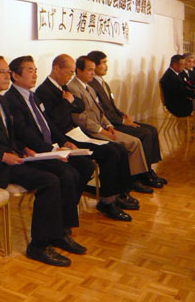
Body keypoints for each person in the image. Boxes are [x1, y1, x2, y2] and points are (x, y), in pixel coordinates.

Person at [0, 55, 86, 267]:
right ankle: (38, 245)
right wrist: (2, 156)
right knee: (49, 181)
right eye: (1, 72)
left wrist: (23, 149)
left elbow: (11, 137)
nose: (6, 76)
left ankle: (59, 233)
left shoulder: (2, 102)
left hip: (13, 159)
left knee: (65, 172)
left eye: (7, 72)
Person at [3, 56, 94, 245]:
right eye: (29, 70)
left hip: (50, 147)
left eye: (35, 70)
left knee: (86, 166)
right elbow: (24, 133)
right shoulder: (10, 100)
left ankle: (63, 215)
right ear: (15, 76)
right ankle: (61, 230)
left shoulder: (33, 96)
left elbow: (48, 124)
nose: (35, 74)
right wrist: (53, 149)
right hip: (34, 151)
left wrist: (64, 141)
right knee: (67, 174)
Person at [35, 54, 138, 221]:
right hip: (63, 136)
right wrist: (67, 103)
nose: (70, 76)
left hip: (75, 132)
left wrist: (69, 103)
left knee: (119, 149)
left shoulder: (63, 87)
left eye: (72, 72)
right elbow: (55, 120)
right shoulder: (44, 91)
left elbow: (80, 105)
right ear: (56, 69)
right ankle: (107, 201)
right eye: (69, 72)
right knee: (110, 152)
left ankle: (119, 193)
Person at [68, 56, 155, 193]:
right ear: (79, 71)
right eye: (89, 70)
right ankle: (124, 185)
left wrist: (109, 126)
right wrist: (102, 131)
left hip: (102, 128)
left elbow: (100, 112)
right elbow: (80, 118)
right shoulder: (73, 88)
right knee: (121, 148)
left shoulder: (89, 87)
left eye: (93, 70)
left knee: (135, 142)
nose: (92, 73)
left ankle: (135, 179)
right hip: (90, 131)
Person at [86, 51, 165, 187]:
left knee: (152, 129)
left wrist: (122, 114)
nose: (106, 66)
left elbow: (111, 105)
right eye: (103, 63)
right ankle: (140, 174)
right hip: (110, 123)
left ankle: (147, 170)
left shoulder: (103, 83)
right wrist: (123, 122)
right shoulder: (91, 85)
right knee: (144, 133)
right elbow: (102, 112)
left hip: (116, 119)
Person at [160, 54, 195, 134]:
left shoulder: (174, 74)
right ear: (175, 64)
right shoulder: (170, 77)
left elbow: (185, 86)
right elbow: (181, 92)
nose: (183, 66)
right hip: (178, 105)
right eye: (182, 64)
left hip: (180, 102)